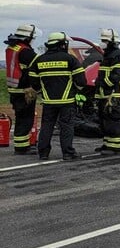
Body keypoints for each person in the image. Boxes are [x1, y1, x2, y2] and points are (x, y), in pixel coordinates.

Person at [29, 31, 86, 160]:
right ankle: (68, 153)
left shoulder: (39, 60)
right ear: (61, 44)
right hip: (67, 101)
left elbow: (33, 82)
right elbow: (81, 81)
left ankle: (43, 153)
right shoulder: (70, 59)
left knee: (47, 126)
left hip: (48, 101)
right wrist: (76, 90)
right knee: (66, 126)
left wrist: (42, 91)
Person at [4, 23, 39, 154]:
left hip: (14, 89)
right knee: (25, 119)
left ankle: (21, 145)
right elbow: (38, 66)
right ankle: (22, 147)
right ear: (28, 37)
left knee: (21, 117)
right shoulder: (25, 51)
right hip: (25, 90)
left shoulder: (12, 47)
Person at [94, 29, 120, 154]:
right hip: (104, 93)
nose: (103, 43)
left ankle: (114, 147)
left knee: (112, 119)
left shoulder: (117, 54)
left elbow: (117, 74)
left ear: (112, 41)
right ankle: (107, 144)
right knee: (104, 120)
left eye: (105, 40)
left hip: (111, 94)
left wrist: (104, 84)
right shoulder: (108, 54)